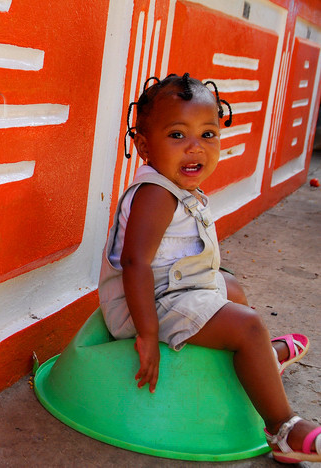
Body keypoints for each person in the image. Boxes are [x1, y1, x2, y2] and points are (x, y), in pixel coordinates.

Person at [98, 73, 320, 463]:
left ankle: (259, 361)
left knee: (231, 287)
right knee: (248, 324)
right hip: (147, 302)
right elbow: (135, 264)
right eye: (178, 136)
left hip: (175, 286)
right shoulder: (155, 194)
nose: (195, 149)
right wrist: (147, 335)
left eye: (208, 135)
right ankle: (282, 427)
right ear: (144, 146)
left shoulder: (175, 186)